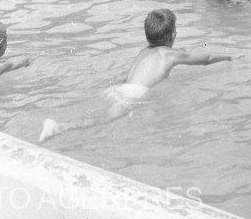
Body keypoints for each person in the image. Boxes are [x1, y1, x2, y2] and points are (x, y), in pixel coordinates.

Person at [40, 9, 231, 141]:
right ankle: (60, 127)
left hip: (117, 89)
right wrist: (228, 56)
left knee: (98, 112)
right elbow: (206, 58)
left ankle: (59, 124)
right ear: (173, 35)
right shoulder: (169, 54)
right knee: (103, 119)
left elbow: (132, 77)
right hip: (132, 94)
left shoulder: (144, 51)